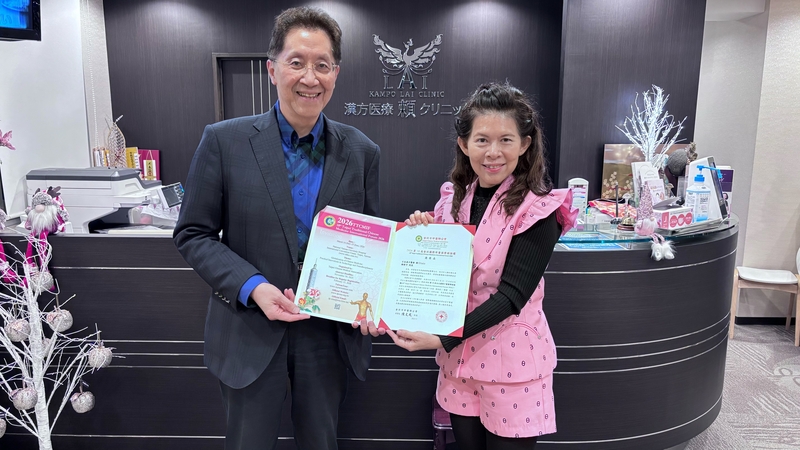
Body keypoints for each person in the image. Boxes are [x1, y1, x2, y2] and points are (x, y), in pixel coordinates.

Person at [173, 7, 383, 450]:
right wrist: (253, 286)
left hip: (327, 335)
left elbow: (369, 246)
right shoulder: (224, 141)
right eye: (297, 62)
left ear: (336, 74)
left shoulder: (362, 151)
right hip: (250, 327)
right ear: (272, 70)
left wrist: (373, 301)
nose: (310, 77)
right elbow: (193, 233)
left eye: (322, 65)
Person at [388, 82, 577, 450]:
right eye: (482, 140)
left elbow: (511, 297)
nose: (493, 152)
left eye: (506, 140)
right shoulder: (453, 200)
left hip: (513, 365)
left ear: (524, 144)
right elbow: (438, 276)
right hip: (460, 364)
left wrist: (441, 338)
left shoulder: (539, 210)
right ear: (464, 144)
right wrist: (421, 235)